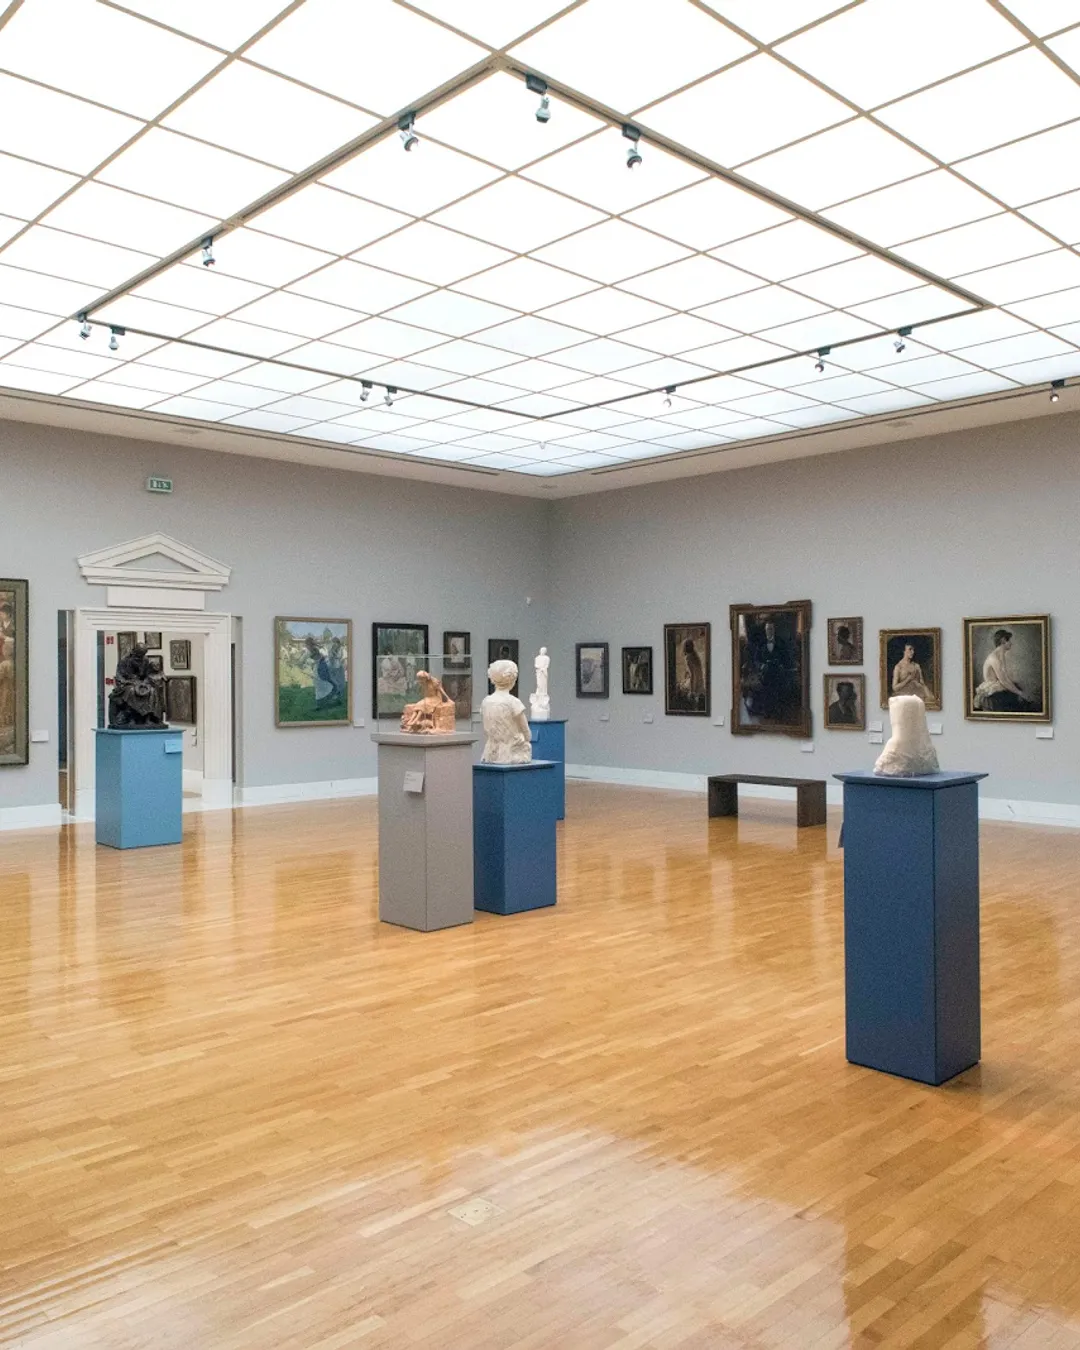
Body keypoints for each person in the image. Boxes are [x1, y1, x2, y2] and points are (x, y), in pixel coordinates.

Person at [743, 619, 796, 722]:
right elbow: (756, 660)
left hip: (778, 672)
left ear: (774, 630)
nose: (769, 631)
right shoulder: (761, 644)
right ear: (765, 630)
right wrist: (761, 666)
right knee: (765, 687)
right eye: (767, 629)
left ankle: (777, 712)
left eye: (771, 629)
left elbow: (787, 659)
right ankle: (766, 711)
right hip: (765, 672)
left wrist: (781, 665)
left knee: (778, 687)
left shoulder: (781, 643)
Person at [973, 628, 1036, 713]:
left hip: (998, 687)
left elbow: (1005, 678)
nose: (1011, 643)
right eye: (1009, 641)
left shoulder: (1001, 655)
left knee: (1019, 692)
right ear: (1003, 641)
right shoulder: (994, 658)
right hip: (992, 692)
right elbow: (1004, 680)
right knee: (1019, 698)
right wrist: (1020, 693)